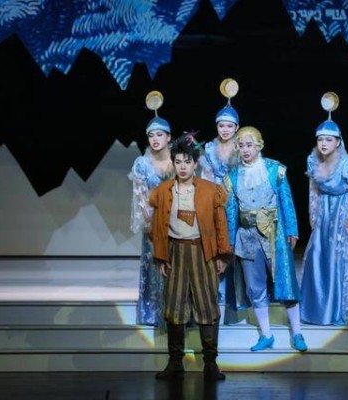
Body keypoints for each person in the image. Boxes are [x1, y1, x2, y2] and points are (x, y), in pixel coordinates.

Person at [149, 138, 231, 381]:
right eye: (178, 162)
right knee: (174, 307)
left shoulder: (210, 190)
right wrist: (161, 256)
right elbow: (156, 227)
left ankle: (210, 363)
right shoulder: (164, 191)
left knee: (207, 306)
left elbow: (220, 225)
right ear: (173, 164)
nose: (183, 166)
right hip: (175, 251)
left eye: (187, 162)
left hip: (202, 252)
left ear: (195, 164)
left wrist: (222, 255)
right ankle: (175, 362)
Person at [223, 126, 308, 352]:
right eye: (241, 146)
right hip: (247, 238)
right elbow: (231, 212)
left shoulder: (274, 170)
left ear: (259, 146)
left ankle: (297, 332)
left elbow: (286, 201)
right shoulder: (232, 177)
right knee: (255, 287)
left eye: (249, 145)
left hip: (274, 235)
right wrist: (230, 241)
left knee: (286, 282)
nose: (245, 150)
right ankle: (266, 334)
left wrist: (292, 230)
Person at [300, 92, 348, 325]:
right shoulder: (313, 161)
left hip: (343, 213)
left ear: (338, 142)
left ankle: (345, 311)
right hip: (325, 214)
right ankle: (318, 309)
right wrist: (314, 215)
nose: (323, 143)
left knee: (342, 260)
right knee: (318, 256)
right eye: (320, 140)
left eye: (328, 140)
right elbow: (313, 189)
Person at [199, 78, 248, 323]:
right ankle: (212, 305)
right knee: (215, 251)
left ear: (237, 127)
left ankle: (234, 309)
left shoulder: (242, 149)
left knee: (235, 254)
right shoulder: (209, 149)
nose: (225, 130)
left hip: (237, 204)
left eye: (229, 126)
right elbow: (206, 178)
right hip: (216, 204)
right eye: (221, 125)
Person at [128, 91, 174, 326]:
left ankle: (177, 314)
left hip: (178, 224)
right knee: (154, 266)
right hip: (154, 225)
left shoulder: (178, 161)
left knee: (176, 268)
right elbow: (140, 198)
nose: (155, 139)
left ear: (168, 137)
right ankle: (153, 313)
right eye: (151, 135)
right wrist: (151, 224)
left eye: (159, 134)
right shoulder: (142, 164)